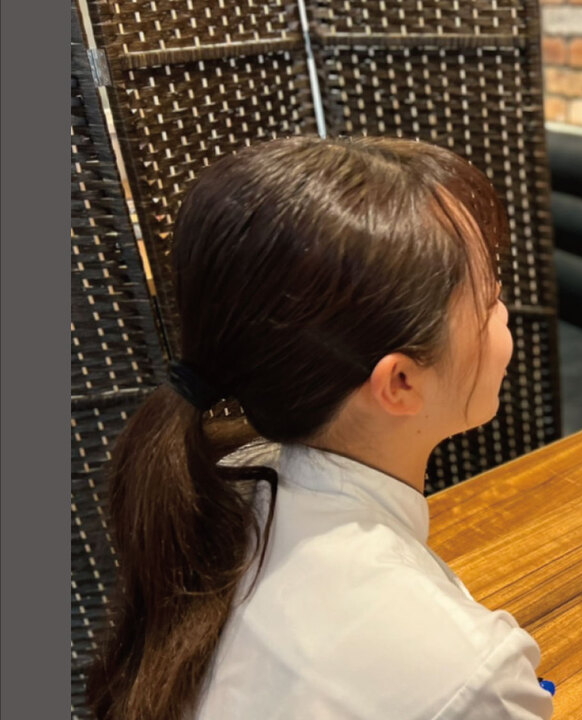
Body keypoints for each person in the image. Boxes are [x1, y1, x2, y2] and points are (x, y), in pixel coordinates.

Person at [87, 137, 554, 719]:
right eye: (488, 299)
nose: (503, 308)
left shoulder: (221, 485)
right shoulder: (468, 673)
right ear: (401, 383)